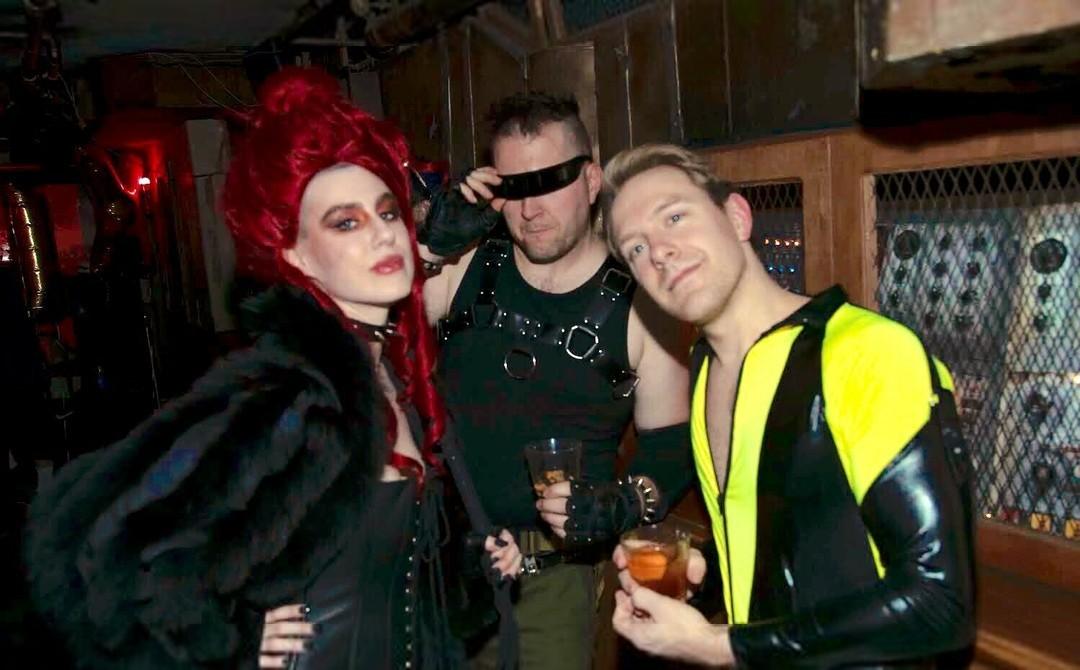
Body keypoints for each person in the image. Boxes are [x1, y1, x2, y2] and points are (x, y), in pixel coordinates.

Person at [24, 66, 520, 670]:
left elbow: (389, 573)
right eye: (346, 222)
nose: (382, 236)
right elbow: (83, 551)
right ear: (294, 254)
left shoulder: (390, 378)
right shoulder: (292, 394)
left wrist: (471, 567)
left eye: (388, 213)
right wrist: (231, 641)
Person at [599, 143, 977, 667]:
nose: (659, 251)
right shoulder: (705, 369)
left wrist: (717, 646)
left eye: (675, 217)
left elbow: (941, 606)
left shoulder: (867, 353)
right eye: (636, 248)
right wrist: (701, 578)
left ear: (736, 217)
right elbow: (782, 548)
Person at [416, 93, 694, 669]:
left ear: (591, 180)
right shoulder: (461, 267)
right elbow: (362, 341)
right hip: (442, 561)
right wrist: (428, 247)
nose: (530, 209)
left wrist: (626, 501)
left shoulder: (643, 305)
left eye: (548, 183)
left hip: (554, 579)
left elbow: (670, 444)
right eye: (515, 188)